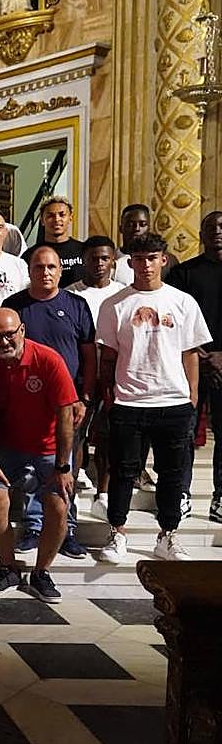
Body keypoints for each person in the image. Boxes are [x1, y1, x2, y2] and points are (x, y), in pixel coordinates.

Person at [97, 233, 211, 563]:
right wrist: (109, 395)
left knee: (172, 474)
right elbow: (108, 356)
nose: (145, 265)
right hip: (129, 400)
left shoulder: (183, 301)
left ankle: (168, 534)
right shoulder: (114, 304)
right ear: (129, 262)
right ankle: (117, 532)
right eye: (139, 259)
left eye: (151, 258)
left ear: (163, 260)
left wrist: (191, 395)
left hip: (173, 400)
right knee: (123, 471)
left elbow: (190, 352)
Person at [0, 308, 79, 603]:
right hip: (7, 447)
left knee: (58, 504)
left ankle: (41, 572)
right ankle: (8, 568)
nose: (3, 342)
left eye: (9, 334)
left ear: (22, 330)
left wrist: (63, 466)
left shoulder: (48, 360)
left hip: (48, 448)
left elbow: (65, 415)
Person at [3, 247, 95, 558]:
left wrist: (84, 397)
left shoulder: (76, 305)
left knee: (66, 466)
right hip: (24, 401)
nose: (45, 272)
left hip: (68, 403)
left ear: (60, 270)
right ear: (29, 270)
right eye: (39, 267)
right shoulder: (14, 305)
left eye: (51, 267)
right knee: (31, 470)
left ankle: (67, 529)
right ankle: (34, 526)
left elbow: (88, 355)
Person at [165, 210, 222, 523]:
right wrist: (203, 355)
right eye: (210, 227)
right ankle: (181, 493)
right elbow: (173, 320)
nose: (217, 231)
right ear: (201, 235)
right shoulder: (184, 273)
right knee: (184, 432)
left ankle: (220, 497)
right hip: (190, 363)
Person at [67, 235, 126, 518]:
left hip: (116, 374)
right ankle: (72, 489)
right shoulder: (71, 294)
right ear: (84, 260)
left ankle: (103, 493)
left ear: (113, 261)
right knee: (76, 433)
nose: (99, 263)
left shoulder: (124, 294)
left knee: (108, 434)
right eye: (93, 258)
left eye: (105, 258)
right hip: (81, 374)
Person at [22, 196, 84, 287]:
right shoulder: (30, 255)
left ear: (70, 217)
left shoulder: (84, 250)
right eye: (50, 216)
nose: (57, 219)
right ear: (42, 220)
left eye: (62, 215)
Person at [114, 204, 178, 285]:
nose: (137, 229)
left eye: (143, 224)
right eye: (130, 225)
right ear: (120, 228)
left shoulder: (168, 260)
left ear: (149, 228)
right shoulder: (110, 258)